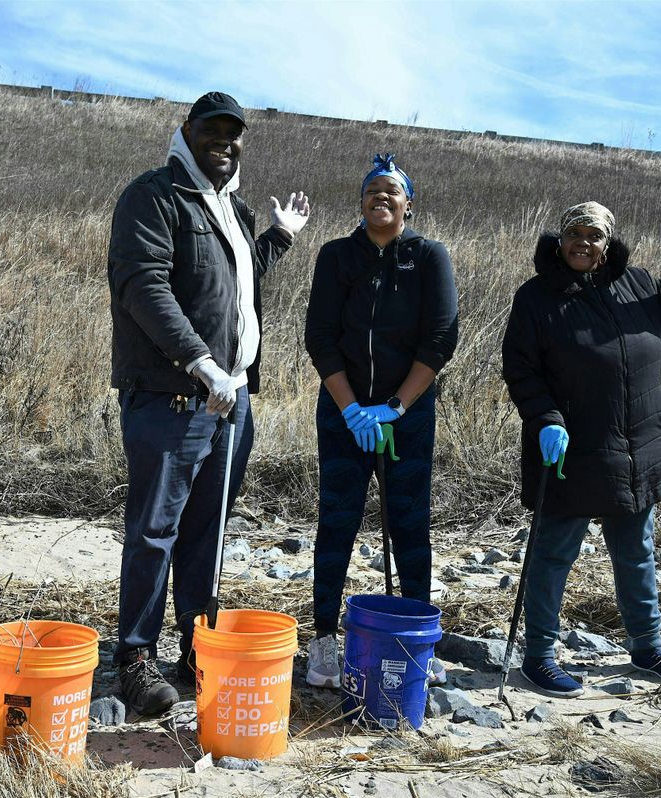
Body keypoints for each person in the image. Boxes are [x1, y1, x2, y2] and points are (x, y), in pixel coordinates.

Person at [107, 91, 311, 715]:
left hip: (232, 400)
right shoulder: (154, 196)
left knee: (207, 529)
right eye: (212, 130)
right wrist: (200, 363)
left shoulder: (231, 207)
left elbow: (233, 278)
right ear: (186, 130)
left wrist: (278, 236)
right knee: (155, 530)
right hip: (173, 396)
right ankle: (135, 659)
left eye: (234, 133)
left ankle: (196, 646)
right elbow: (143, 286)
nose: (224, 141)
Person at [500, 192, 661, 697]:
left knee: (636, 553)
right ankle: (539, 657)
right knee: (553, 555)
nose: (582, 243)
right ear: (561, 239)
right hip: (569, 450)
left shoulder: (638, 286)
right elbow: (521, 368)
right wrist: (545, 419)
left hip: (638, 447)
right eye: (574, 234)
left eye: (594, 235)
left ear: (608, 242)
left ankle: (647, 648)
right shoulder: (537, 297)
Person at [303, 153, 459, 688]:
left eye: (392, 191)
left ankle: (417, 639)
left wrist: (395, 407)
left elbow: (440, 339)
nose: (382, 197)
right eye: (373, 190)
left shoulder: (429, 256)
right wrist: (350, 408)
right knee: (336, 521)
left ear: (408, 203)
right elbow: (320, 337)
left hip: (405, 417)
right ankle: (324, 639)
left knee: (410, 525)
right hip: (343, 414)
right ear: (361, 202)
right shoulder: (336, 256)